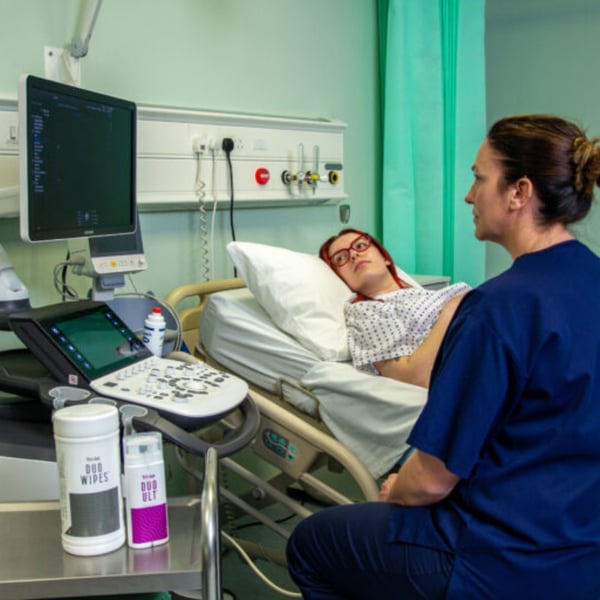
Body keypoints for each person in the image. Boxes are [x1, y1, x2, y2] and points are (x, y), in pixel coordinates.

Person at [286, 114, 600, 599]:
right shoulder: (587, 277)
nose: (469, 196)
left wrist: (396, 490)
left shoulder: (495, 308)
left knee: (309, 544)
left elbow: (431, 481)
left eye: (479, 178)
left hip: (503, 554)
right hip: (583, 542)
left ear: (518, 192)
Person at [319, 229, 470, 388]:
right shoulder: (366, 312)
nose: (354, 255)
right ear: (341, 279)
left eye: (360, 246)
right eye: (341, 258)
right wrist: (450, 310)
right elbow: (415, 377)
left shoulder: (421, 295)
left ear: (385, 258)